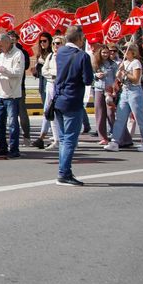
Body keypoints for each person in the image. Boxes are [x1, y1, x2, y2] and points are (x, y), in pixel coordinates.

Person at [52, 25, 95, 186]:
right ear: (79, 38)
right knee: (70, 139)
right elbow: (87, 80)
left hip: (58, 99)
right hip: (72, 99)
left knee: (64, 138)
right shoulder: (82, 56)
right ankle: (64, 173)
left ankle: (64, 171)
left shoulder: (61, 52)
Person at [109, 41, 143, 152]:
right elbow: (121, 80)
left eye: (126, 49)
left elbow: (135, 79)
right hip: (125, 91)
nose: (124, 51)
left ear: (133, 51)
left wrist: (124, 72)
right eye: (123, 49)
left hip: (135, 92)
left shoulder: (136, 63)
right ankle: (115, 141)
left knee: (139, 118)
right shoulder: (124, 62)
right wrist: (119, 75)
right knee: (120, 118)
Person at [0, 32, 26, 159]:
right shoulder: (1, 56)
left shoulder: (18, 54)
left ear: (7, 43)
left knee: (12, 123)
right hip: (1, 94)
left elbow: (17, 72)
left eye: (0, 46)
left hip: (12, 95)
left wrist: (1, 69)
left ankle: (14, 149)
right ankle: (2, 147)